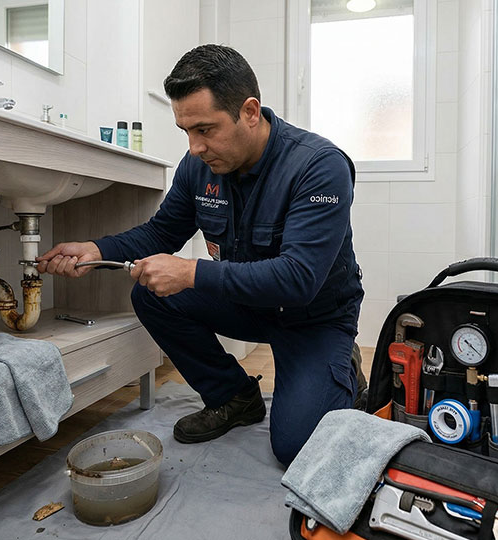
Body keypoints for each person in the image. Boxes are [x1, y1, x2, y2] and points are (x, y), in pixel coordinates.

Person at [36, 44, 364, 466]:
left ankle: (340, 368)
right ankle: (233, 396)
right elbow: (162, 232)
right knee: (152, 294)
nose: (194, 147)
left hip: (313, 318)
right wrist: (96, 250)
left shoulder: (318, 166)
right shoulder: (199, 167)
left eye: (205, 130)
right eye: (186, 131)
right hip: (250, 304)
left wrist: (191, 273)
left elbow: (298, 279)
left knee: (297, 447)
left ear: (249, 112)